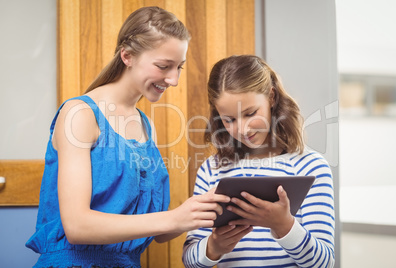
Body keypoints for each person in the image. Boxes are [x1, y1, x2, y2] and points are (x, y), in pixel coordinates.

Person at [26, 6, 230, 268]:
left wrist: (200, 209)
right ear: (127, 56)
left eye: (178, 67)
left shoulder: (145, 127)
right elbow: (77, 225)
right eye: (163, 66)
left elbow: (156, 230)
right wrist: (174, 219)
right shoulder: (79, 114)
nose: (174, 79)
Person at [182, 55, 335, 267]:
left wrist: (285, 226)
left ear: (271, 97)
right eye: (230, 120)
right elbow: (189, 260)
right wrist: (213, 247)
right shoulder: (212, 169)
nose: (243, 129)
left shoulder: (311, 166)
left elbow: (324, 263)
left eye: (250, 113)